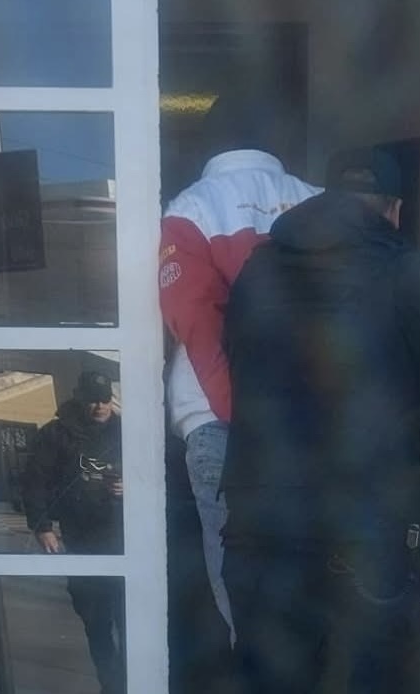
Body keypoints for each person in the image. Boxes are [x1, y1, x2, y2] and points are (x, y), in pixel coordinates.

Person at [220, 146, 420, 693]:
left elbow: (241, 368)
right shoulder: (410, 274)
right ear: (394, 209)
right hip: (365, 537)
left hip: (262, 539)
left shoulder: (257, 272)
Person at [159, 90, 321, 636]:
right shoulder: (319, 203)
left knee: (240, 589)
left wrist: (242, 410)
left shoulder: (189, 209)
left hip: (216, 422)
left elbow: (195, 320)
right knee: (316, 578)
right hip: (311, 425)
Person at [22, 371, 125, 694]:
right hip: (81, 541)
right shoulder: (55, 435)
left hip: (125, 541)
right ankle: (112, 686)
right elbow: (34, 482)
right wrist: (42, 527)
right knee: (96, 622)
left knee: (131, 621)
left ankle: (129, 685)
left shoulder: (129, 431)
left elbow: (157, 475)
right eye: (93, 399)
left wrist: (131, 487)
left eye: (105, 399)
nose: (100, 406)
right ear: (80, 398)